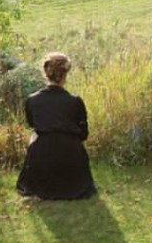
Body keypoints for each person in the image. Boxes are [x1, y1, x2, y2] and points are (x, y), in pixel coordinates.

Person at [16, 52, 96, 200]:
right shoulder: (75, 101)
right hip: (71, 155)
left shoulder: (32, 100)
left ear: (45, 73)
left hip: (41, 155)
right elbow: (83, 135)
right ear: (66, 74)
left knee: (35, 136)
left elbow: (32, 124)